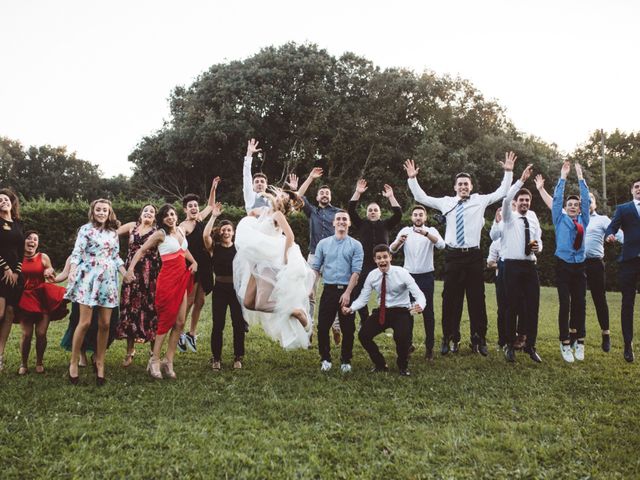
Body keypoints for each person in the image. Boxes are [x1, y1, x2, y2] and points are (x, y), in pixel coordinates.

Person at [404, 152, 515, 356]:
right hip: (453, 256)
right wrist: (412, 178)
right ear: (455, 187)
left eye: (467, 184)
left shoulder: (480, 201)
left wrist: (508, 172)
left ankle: (479, 338)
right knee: (450, 298)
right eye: (460, 184)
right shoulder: (446, 202)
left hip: (473, 256)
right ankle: (449, 337)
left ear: (471, 187)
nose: (463, 186)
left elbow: (502, 191)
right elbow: (421, 197)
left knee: (477, 299)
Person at [536, 173, 623, 353]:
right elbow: (555, 202)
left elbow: (619, 234)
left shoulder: (598, 219)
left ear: (594, 204)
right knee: (575, 302)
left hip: (594, 263)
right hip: (574, 265)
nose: (586, 202)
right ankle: (573, 334)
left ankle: (605, 333)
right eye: (585, 200)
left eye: (589, 200)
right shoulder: (567, 217)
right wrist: (547, 186)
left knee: (597, 299)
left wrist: (614, 237)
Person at [234, 187, 315, 349]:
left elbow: (290, 236)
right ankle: (290, 309)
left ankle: (296, 311)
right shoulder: (265, 212)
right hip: (256, 263)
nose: (279, 197)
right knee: (249, 303)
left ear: (284, 203)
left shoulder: (278, 215)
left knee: (262, 303)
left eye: (283, 197)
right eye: (279, 195)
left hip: (269, 263)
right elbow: (250, 214)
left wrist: (285, 256)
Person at [125, 204, 197, 379]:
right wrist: (130, 269)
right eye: (166, 216)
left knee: (180, 323)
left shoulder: (180, 231)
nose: (170, 217)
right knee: (165, 321)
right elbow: (141, 250)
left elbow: (184, 249)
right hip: (167, 280)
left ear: (176, 216)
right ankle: (154, 360)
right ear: (162, 220)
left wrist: (194, 261)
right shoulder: (160, 234)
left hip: (182, 278)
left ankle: (168, 360)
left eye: (172, 214)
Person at [65, 199, 127, 385]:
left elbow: (115, 256)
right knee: (84, 323)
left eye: (105, 210)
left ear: (109, 213)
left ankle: (100, 361)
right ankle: (74, 362)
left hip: (108, 279)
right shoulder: (85, 230)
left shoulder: (112, 233)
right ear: (93, 212)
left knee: (105, 324)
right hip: (88, 278)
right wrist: (74, 268)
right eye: (98, 210)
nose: (101, 213)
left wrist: (126, 273)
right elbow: (77, 252)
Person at [345, 244, 425, 376]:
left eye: (385, 257)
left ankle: (403, 366)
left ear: (390, 257)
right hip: (382, 312)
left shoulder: (402, 273)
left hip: (401, 312)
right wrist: (351, 308)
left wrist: (420, 305)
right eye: (379, 258)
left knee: (401, 338)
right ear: (375, 260)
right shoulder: (372, 275)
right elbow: (363, 298)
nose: (382, 260)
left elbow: (419, 294)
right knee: (363, 335)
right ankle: (380, 364)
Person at [499, 165, 543, 363]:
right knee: (512, 307)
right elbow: (506, 199)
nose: (524, 203)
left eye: (527, 200)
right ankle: (509, 345)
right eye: (521, 200)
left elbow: (537, 239)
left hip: (529, 266)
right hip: (512, 266)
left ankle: (530, 346)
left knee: (533, 306)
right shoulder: (509, 217)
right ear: (516, 203)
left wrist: (538, 248)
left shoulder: (533, 217)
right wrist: (521, 181)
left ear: (530, 203)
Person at [311, 211, 364, 373]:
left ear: (348, 223)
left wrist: (348, 293)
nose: (341, 221)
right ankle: (325, 359)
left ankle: (345, 360)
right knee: (323, 327)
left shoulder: (356, 245)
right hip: (329, 290)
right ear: (333, 223)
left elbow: (356, 272)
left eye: (344, 219)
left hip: (347, 290)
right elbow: (315, 269)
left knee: (348, 329)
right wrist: (310, 288)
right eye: (338, 219)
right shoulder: (323, 244)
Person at [390, 205, 445, 360]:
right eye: (415, 215)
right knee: (408, 312)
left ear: (425, 217)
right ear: (412, 217)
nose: (418, 217)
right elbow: (392, 249)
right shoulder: (405, 231)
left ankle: (429, 348)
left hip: (426, 276)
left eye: (421, 215)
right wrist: (398, 242)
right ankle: (408, 345)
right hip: (408, 277)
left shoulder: (431, 231)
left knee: (428, 313)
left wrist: (426, 234)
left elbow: (441, 245)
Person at [295, 167, 342, 342]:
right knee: (309, 294)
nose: (324, 195)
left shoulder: (337, 212)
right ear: (317, 197)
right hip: (314, 255)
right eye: (321, 193)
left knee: (334, 292)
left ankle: (336, 326)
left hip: (333, 256)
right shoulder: (312, 211)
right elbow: (298, 196)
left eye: (327, 193)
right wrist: (310, 178)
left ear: (330, 197)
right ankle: (309, 328)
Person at [348, 179, 402, 323]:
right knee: (358, 292)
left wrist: (391, 196)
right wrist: (358, 192)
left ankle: (388, 319)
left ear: (379, 213)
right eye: (370, 210)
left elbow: (398, 214)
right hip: (365, 264)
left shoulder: (385, 225)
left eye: (375, 210)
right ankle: (365, 320)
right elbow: (351, 209)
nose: (372, 212)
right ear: (367, 213)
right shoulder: (361, 224)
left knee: (388, 292)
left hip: (383, 263)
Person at [552, 161, 590, 363]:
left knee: (580, 303)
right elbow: (557, 200)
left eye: (576, 205)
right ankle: (565, 342)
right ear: (566, 208)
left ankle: (579, 340)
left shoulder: (584, 220)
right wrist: (564, 177)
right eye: (571, 205)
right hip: (563, 265)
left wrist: (581, 177)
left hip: (579, 266)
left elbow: (586, 201)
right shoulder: (560, 218)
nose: (574, 207)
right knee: (565, 303)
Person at [14, 231, 68, 374]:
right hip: (24, 298)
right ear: (23, 241)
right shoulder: (16, 256)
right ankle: (23, 364)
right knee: (26, 334)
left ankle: (39, 362)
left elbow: (49, 268)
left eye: (35, 239)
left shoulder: (42, 257)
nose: (32, 241)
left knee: (41, 333)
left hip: (41, 297)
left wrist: (49, 270)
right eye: (29, 238)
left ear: (37, 243)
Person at [115, 204, 160, 366]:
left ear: (155, 217)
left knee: (151, 310)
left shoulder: (158, 231)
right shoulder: (132, 226)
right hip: (131, 274)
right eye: (146, 210)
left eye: (152, 212)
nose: (148, 213)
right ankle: (130, 351)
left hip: (150, 275)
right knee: (130, 309)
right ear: (141, 214)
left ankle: (154, 352)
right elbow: (112, 234)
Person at [178, 177, 218, 353]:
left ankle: (191, 334)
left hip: (206, 265)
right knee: (190, 299)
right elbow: (180, 245)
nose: (194, 208)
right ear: (185, 209)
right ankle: (178, 332)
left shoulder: (201, 218)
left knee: (201, 301)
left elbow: (210, 204)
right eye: (190, 206)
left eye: (195, 205)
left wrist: (213, 188)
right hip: (191, 266)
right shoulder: (183, 226)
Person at [203, 203, 246, 370]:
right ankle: (216, 358)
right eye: (224, 229)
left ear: (233, 233)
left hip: (236, 290)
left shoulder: (239, 249)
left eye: (229, 230)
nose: (226, 232)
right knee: (218, 324)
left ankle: (238, 357)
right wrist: (213, 216)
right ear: (220, 232)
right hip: (220, 289)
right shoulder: (215, 248)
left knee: (238, 324)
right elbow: (206, 235)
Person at [605, 178, 640, 362]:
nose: (639, 189)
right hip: (629, 261)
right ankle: (628, 344)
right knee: (628, 303)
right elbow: (612, 226)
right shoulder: (624, 208)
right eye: (636, 186)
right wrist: (610, 234)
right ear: (632, 190)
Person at [0, 188, 25, 372]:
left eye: (6, 199)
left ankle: (0, 354)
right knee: (0, 313)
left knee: (9, 313)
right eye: (0, 200)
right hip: (1, 274)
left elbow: (21, 252)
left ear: (11, 202)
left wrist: (16, 271)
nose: (3, 202)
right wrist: (6, 268)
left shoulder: (17, 223)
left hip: (16, 277)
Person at [243, 139, 271, 212]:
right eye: (256, 182)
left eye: (262, 181)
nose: (259, 183)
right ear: (252, 185)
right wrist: (249, 155)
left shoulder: (272, 201)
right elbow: (246, 175)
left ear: (266, 185)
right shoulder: (250, 196)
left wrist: (293, 190)